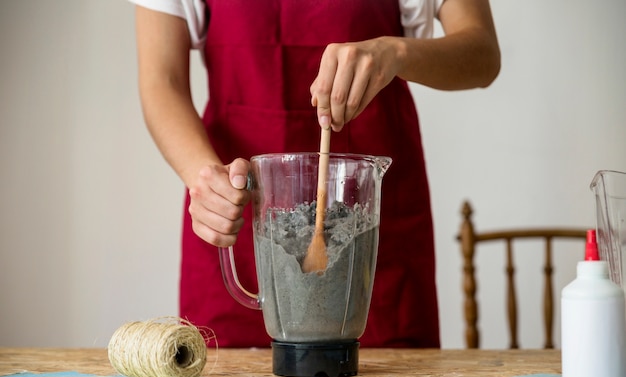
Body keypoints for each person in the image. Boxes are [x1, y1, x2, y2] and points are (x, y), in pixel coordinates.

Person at [131, 0, 500, 348]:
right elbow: (162, 80)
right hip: (239, 228)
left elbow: (482, 52)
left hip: (373, 243)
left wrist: (395, 52)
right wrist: (203, 176)